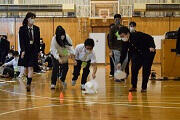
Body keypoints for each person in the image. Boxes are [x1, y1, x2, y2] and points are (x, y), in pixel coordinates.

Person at [118, 26, 156, 92]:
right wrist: (120, 62)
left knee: (146, 70)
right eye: (121, 37)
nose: (122, 38)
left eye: (123, 36)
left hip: (148, 53)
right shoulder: (124, 42)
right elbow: (123, 52)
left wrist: (152, 46)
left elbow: (150, 38)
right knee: (134, 69)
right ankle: (134, 86)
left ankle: (144, 87)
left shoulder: (137, 35)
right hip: (137, 55)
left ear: (127, 34)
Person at [19, 12, 40, 92]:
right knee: (25, 69)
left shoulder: (36, 29)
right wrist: (23, 50)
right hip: (26, 50)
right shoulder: (22, 29)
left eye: (34, 18)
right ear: (27, 19)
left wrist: (38, 52)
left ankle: (28, 84)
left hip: (33, 51)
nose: (33, 20)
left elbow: (37, 41)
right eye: (31, 18)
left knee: (31, 67)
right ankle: (27, 79)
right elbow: (22, 41)